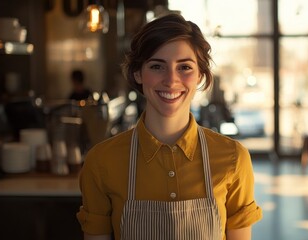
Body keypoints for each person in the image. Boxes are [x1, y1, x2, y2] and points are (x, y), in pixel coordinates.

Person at [76, 13, 262, 240]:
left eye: (184, 67)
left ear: (200, 76)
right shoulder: (102, 161)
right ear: (138, 73)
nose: (171, 80)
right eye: (157, 66)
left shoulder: (234, 158)